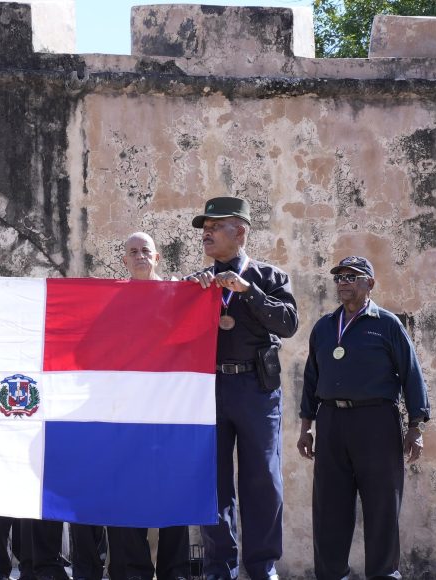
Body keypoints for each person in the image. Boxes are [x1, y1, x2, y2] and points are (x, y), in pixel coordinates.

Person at [298, 256, 430, 580]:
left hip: (377, 424)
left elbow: (412, 375)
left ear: (369, 283)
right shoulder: (325, 327)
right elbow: (311, 379)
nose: (343, 281)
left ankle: (384, 575)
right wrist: (306, 427)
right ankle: (331, 575)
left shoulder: (386, 324)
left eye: (352, 276)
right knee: (329, 509)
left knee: (382, 508)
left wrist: (416, 427)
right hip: (331, 423)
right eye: (340, 276)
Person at [187, 198, 297, 580]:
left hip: (256, 388)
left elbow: (288, 324)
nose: (207, 232)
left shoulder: (269, 277)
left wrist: (247, 290)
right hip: (211, 389)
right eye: (205, 226)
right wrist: (190, 295)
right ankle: (220, 566)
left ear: (241, 232)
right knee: (213, 481)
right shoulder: (197, 283)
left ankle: (262, 564)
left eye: (216, 225)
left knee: (263, 478)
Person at [93, 232, 189, 580]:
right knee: (126, 493)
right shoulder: (113, 300)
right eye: (132, 251)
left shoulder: (179, 296)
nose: (139, 256)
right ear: (124, 260)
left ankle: (174, 572)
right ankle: (131, 571)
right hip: (127, 412)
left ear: (158, 257)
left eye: (145, 250)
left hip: (171, 412)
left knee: (174, 492)